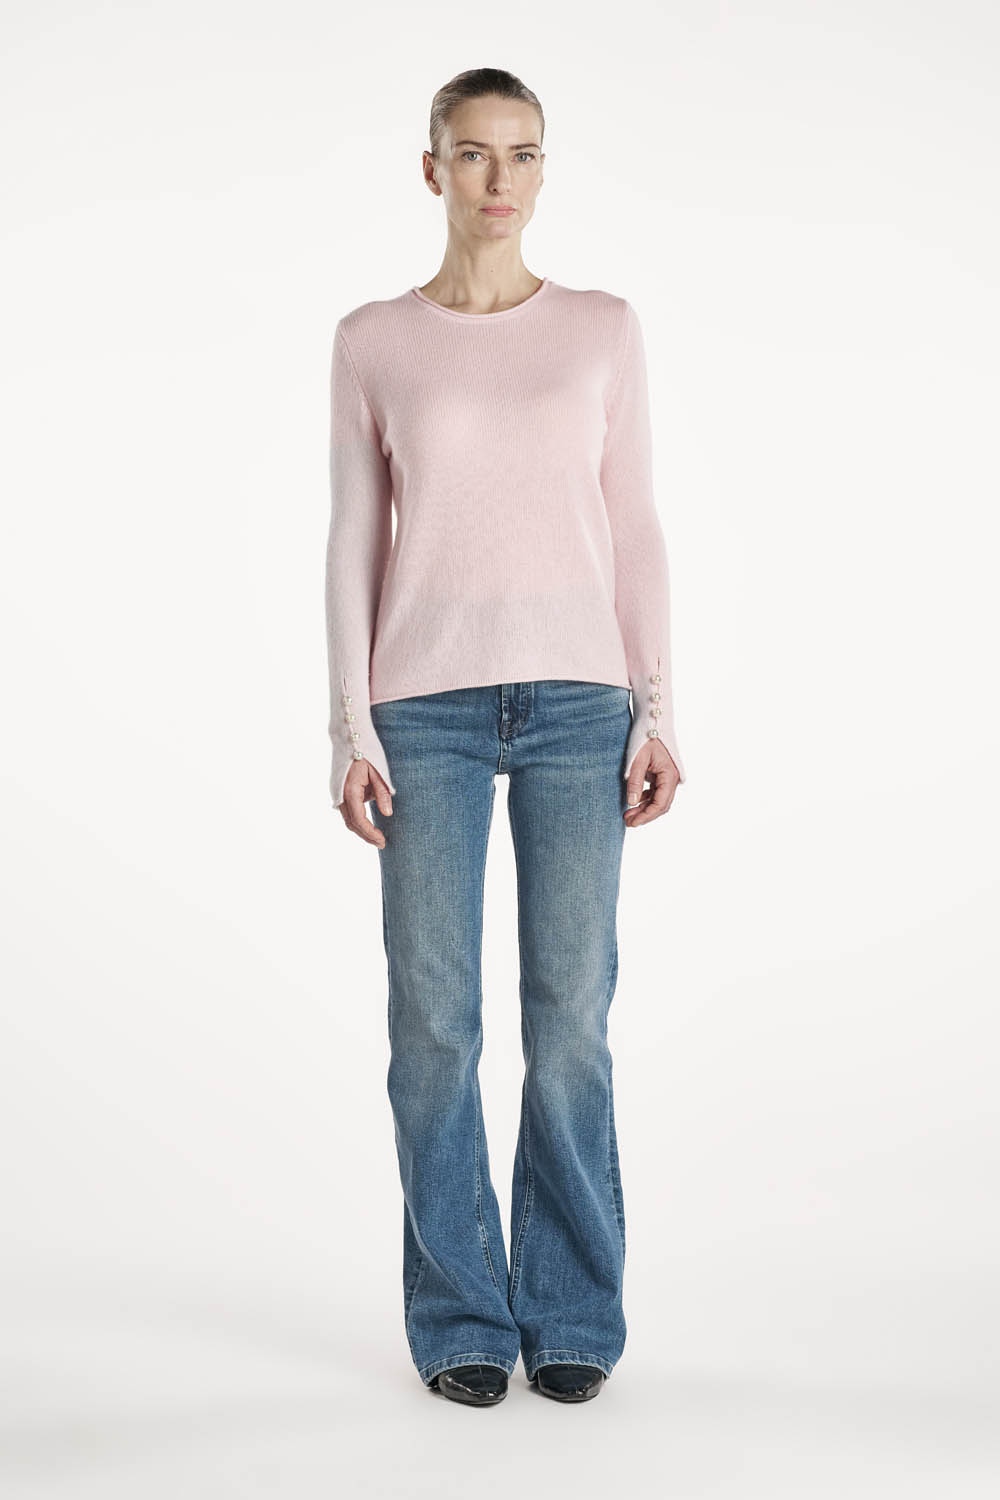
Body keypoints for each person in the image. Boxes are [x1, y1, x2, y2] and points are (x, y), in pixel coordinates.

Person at [325, 67, 686, 1407]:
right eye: (474, 155)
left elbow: (635, 523)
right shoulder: (374, 340)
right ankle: (463, 1313)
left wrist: (657, 708)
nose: (500, 181)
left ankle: (574, 1306)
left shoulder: (601, 330)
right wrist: (349, 722)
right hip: (422, 712)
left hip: (582, 707)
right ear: (432, 169)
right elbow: (355, 536)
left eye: (523, 154)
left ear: (544, 169)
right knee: (434, 1028)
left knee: (570, 1021)